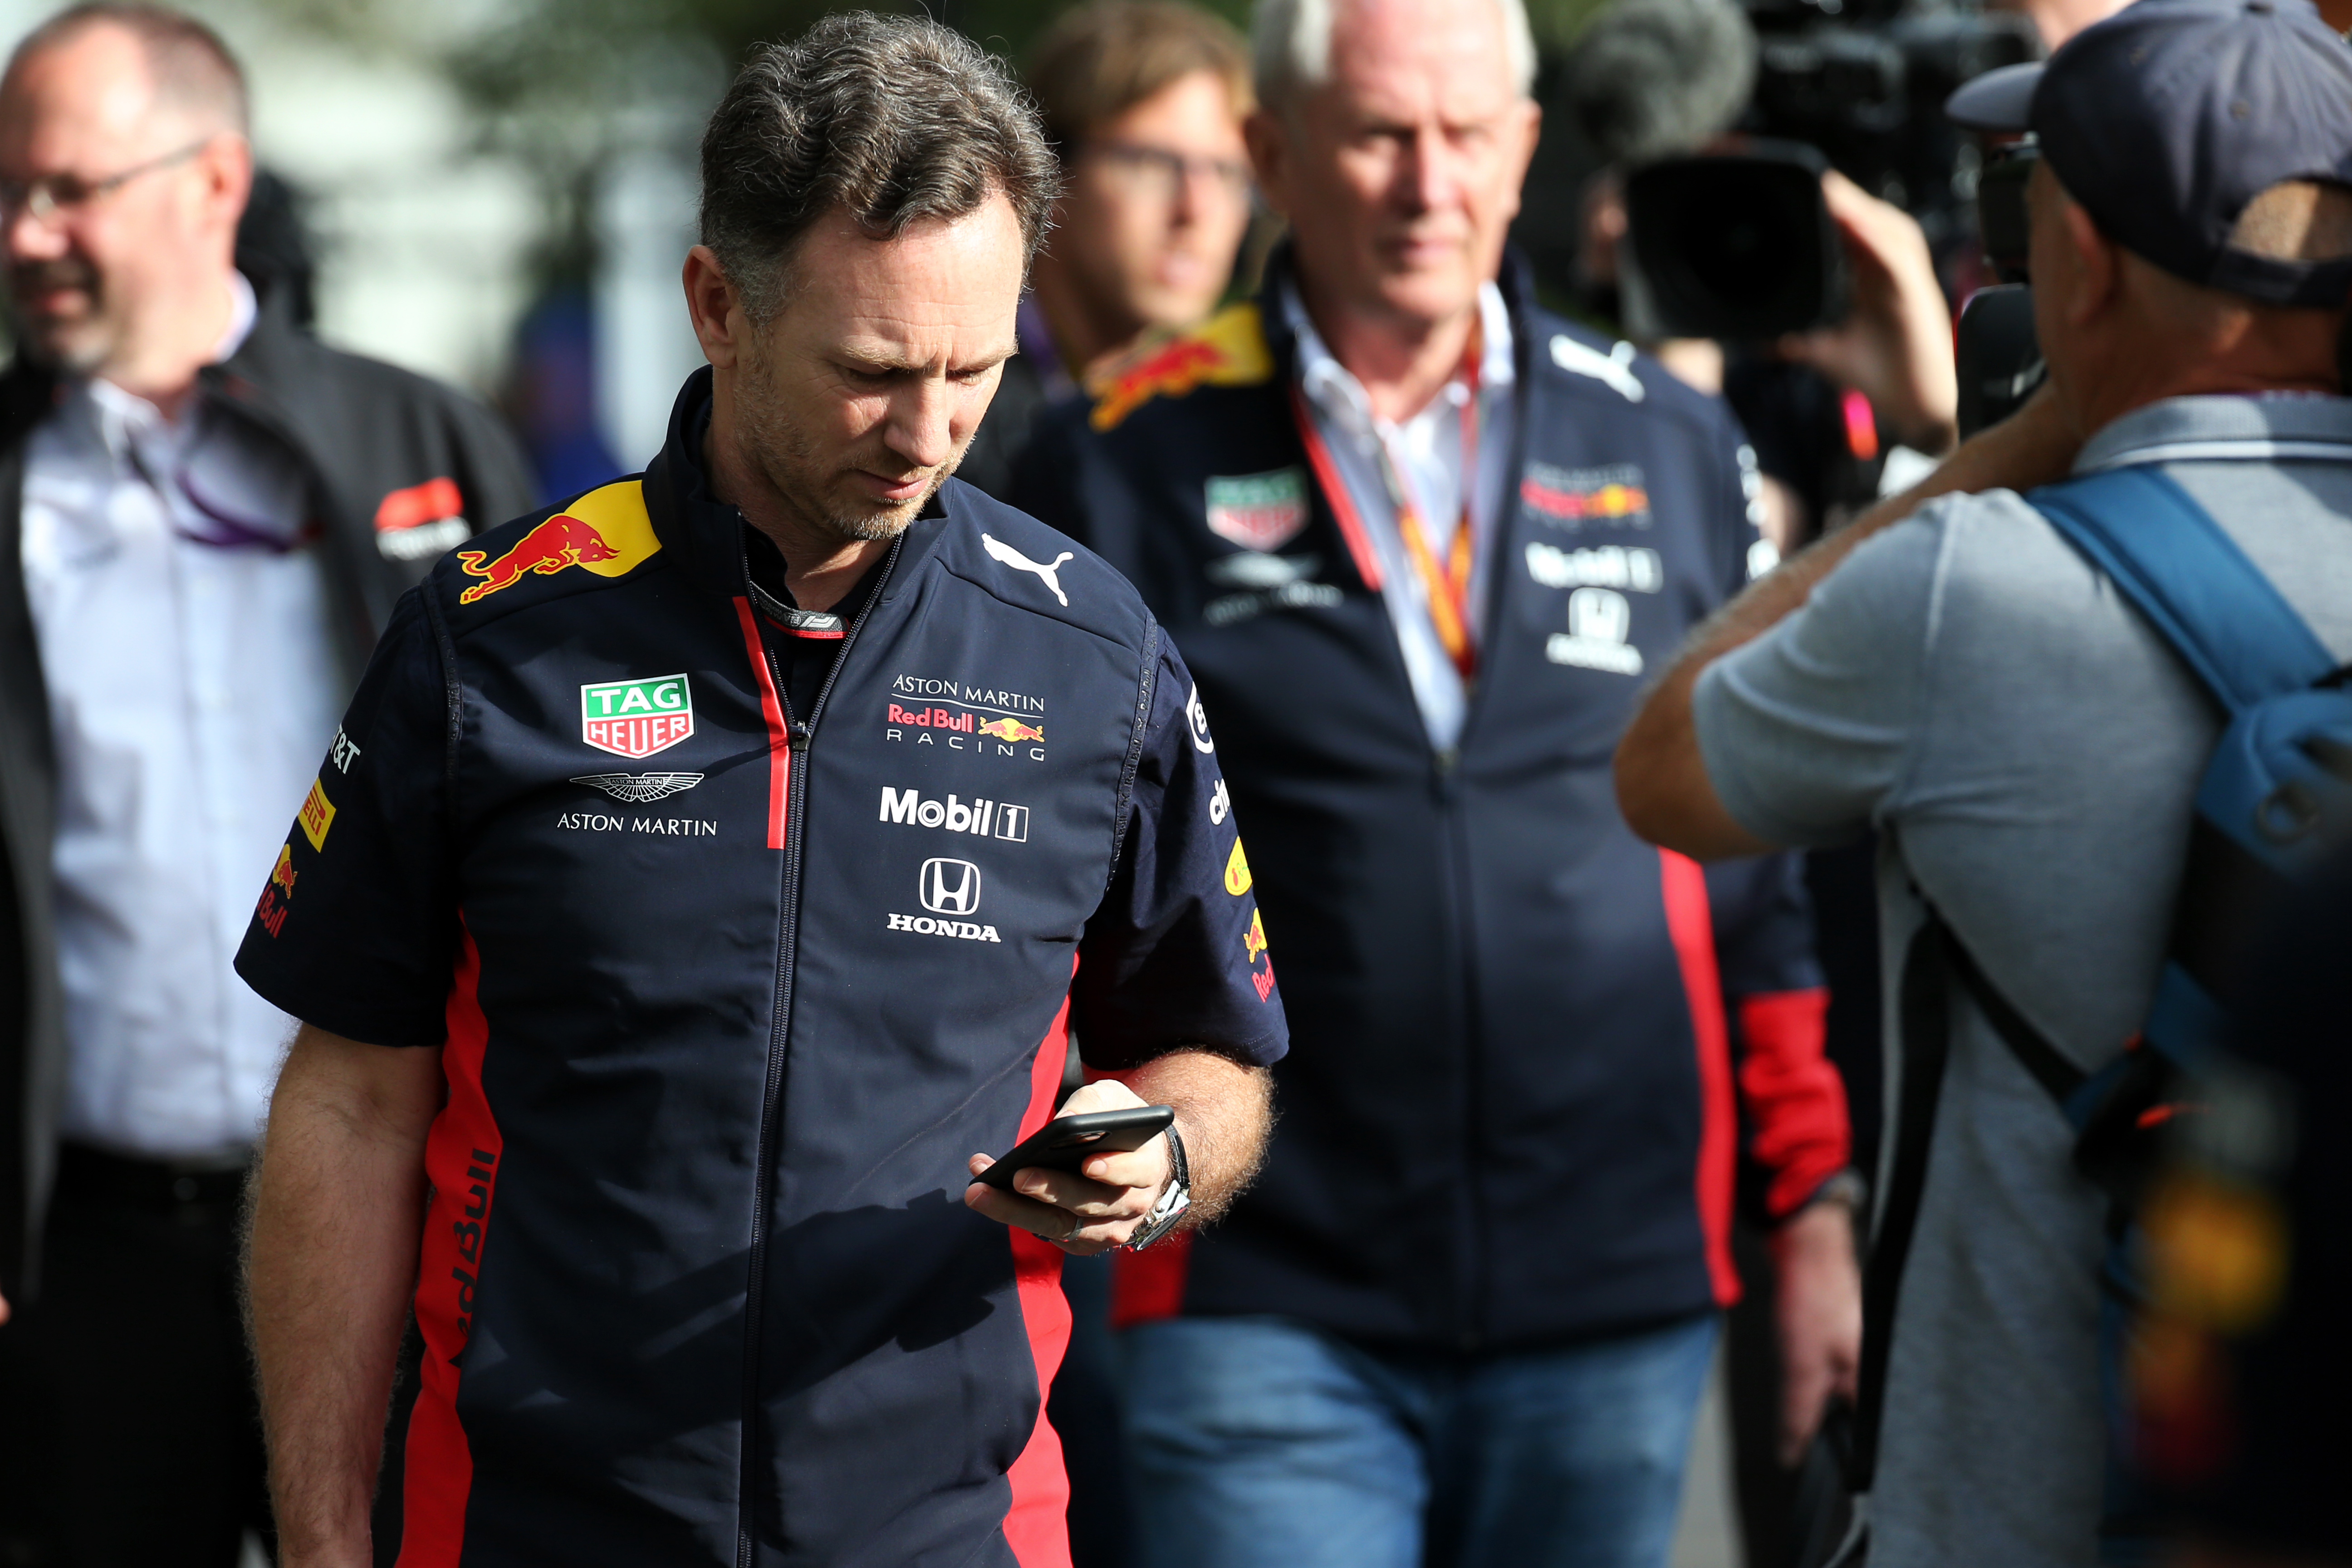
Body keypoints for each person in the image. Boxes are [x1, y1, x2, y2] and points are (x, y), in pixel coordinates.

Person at [235, 15, 1284, 1568]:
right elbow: (347, 1101)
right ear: (716, 304)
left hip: (953, 1531)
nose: (926, 434)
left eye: (973, 369)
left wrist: (1166, 1150)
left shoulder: (1093, 654)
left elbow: (1217, 1050)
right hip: (534, 1527)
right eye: (870, 371)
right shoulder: (490, 642)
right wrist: (325, 1540)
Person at [1012, 0, 1858, 1563]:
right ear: (1274, 153)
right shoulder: (1115, 454)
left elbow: (1760, 866)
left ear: (1525, 150)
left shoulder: (1670, 438)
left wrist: (1810, 1205)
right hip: (1263, 1294)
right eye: (1378, 135)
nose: (1426, 184)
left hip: (1615, 1294)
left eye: (1465, 136)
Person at [1613, 1, 2352, 1563]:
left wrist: (2009, 446)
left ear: (2077, 263)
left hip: (2005, 1511)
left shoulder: (1966, 588)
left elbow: (1662, 765)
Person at [0, 5, 535, 1563]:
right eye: (10, 193)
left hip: (406, 1209)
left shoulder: (412, 435)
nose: (29, 233)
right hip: (94, 1244)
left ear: (213, 179)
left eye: (68, 188)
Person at [957, 0, 1256, 499]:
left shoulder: (1221, 424)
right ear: (1047, 170)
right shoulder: (952, 406)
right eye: (1154, 163)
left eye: (1227, 173)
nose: (1196, 209)